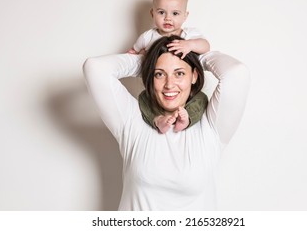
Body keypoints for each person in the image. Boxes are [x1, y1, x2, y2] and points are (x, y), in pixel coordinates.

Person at [83, 35, 250, 210]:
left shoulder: (211, 127)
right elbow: (94, 68)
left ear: (194, 75)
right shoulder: (131, 121)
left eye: (179, 73)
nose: (169, 84)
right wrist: (147, 61)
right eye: (159, 74)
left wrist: (199, 56)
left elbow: (237, 73)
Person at [128, 0, 210, 133]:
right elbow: (133, 51)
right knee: (144, 98)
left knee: (201, 99)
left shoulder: (188, 35)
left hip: (187, 94)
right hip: (156, 91)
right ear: (152, 14)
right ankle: (158, 120)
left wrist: (190, 45)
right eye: (161, 12)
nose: (167, 18)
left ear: (185, 16)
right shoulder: (148, 37)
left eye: (175, 13)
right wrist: (137, 54)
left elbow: (205, 46)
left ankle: (186, 120)